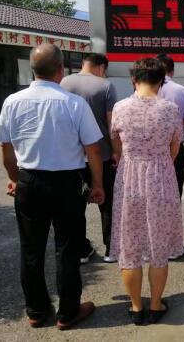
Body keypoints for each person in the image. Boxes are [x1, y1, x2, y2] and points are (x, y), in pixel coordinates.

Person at [0, 44, 103, 330]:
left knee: (31, 250)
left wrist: (15, 179)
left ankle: (37, 310)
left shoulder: (12, 101)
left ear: (33, 69)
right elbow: (93, 150)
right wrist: (97, 184)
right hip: (67, 183)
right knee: (67, 248)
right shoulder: (74, 104)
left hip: (29, 180)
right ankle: (68, 312)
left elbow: (6, 150)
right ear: (60, 70)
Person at [109, 58, 184, 325]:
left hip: (128, 178)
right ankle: (155, 305)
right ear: (161, 81)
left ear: (134, 79)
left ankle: (135, 306)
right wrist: (160, 163)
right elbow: (175, 147)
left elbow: (116, 145)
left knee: (130, 245)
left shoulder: (120, 108)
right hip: (161, 177)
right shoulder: (170, 109)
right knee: (158, 246)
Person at [61, 53, 118, 264]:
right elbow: (112, 123)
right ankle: (111, 249)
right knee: (108, 204)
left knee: (75, 207)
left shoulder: (63, 83)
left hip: (72, 158)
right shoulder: (106, 86)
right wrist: (116, 151)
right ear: (102, 67)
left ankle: (81, 250)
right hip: (102, 154)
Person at [156, 53, 184, 260]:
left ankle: (153, 243)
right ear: (172, 70)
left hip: (150, 151)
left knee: (151, 196)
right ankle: (172, 244)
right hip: (175, 148)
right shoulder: (182, 91)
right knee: (173, 195)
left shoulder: (142, 89)